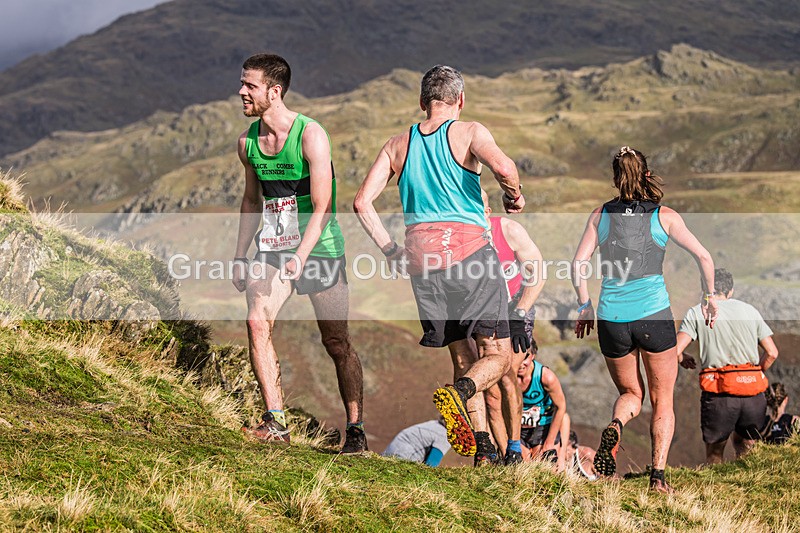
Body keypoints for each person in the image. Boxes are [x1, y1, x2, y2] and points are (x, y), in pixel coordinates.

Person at [354, 65, 525, 464]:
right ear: (460, 100)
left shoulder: (397, 144)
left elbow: (362, 202)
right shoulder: (469, 132)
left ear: (422, 102)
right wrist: (513, 196)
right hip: (469, 255)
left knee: (461, 353)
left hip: (421, 263)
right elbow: (504, 168)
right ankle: (461, 393)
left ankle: (483, 450)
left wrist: (390, 250)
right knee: (497, 356)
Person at [232, 53, 367, 453]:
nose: (241, 92)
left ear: (274, 92)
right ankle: (276, 422)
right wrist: (241, 255)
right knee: (257, 322)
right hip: (273, 249)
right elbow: (251, 201)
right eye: (242, 84)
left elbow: (323, 203)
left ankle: (356, 430)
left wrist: (302, 256)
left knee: (337, 342)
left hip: (320, 250)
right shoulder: (247, 143)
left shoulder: (311, 135)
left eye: (250, 86)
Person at [572, 146, 718, 493]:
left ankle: (617, 424)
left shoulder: (600, 214)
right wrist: (709, 298)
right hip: (654, 316)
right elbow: (703, 256)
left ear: (614, 178)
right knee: (662, 399)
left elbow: (579, 264)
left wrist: (584, 306)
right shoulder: (664, 215)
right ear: (647, 175)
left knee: (630, 392)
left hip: (611, 318)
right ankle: (657, 478)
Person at [677, 268, 779, 464]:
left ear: (704, 288)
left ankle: (716, 492)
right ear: (730, 290)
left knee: (715, 455)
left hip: (719, 395)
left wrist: (682, 357)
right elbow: (772, 352)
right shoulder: (750, 310)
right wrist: (755, 373)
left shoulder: (698, 311)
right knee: (746, 450)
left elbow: (674, 350)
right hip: (752, 396)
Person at [479, 189, 545, 464]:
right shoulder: (459, 238)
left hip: (516, 306)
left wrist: (520, 313)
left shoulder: (508, 230)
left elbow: (539, 273)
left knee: (507, 376)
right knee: (490, 388)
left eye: (480, 207)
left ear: (489, 210)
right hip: (484, 312)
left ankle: (515, 447)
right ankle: (502, 452)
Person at [515, 340, 567, 467]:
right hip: (517, 428)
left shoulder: (546, 377)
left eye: (525, 357)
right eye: (517, 357)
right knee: (523, 465)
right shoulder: (508, 377)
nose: (521, 363)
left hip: (542, 428)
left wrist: (549, 443)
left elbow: (561, 407)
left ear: (533, 355)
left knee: (543, 467)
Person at [382, 418, 451, 466]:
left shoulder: (434, 424)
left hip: (388, 455)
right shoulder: (444, 435)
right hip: (403, 460)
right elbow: (432, 464)